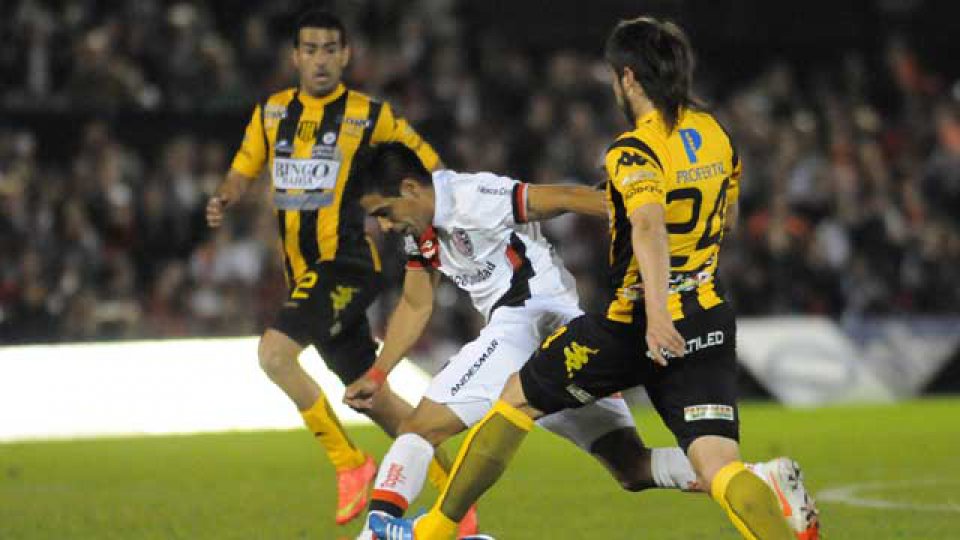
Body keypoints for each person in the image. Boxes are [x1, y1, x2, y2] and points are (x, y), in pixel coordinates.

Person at [370, 17, 820, 540]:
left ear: (629, 79)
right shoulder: (716, 134)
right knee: (716, 469)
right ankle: (767, 494)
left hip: (634, 321)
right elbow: (730, 217)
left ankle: (432, 533)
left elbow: (648, 224)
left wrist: (654, 310)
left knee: (514, 402)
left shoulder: (633, 150)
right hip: (707, 314)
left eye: (613, 77)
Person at [345, 142, 702, 539]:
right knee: (632, 466)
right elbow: (415, 303)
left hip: (527, 320)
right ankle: (749, 479)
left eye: (384, 213)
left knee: (419, 428)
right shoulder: (422, 229)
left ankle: (376, 533)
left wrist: (645, 211)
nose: (385, 227)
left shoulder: (471, 197)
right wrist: (379, 374)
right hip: (565, 334)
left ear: (410, 189)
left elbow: (562, 197)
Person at [205, 10, 455, 528]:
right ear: (295, 57)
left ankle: (351, 465)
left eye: (329, 50)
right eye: (310, 49)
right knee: (375, 398)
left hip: (347, 262)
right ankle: (457, 497)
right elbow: (243, 166)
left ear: (345, 56)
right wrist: (225, 196)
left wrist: (453, 211)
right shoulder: (273, 113)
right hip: (306, 276)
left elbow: (430, 164)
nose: (319, 59)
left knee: (274, 354)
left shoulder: (370, 115)